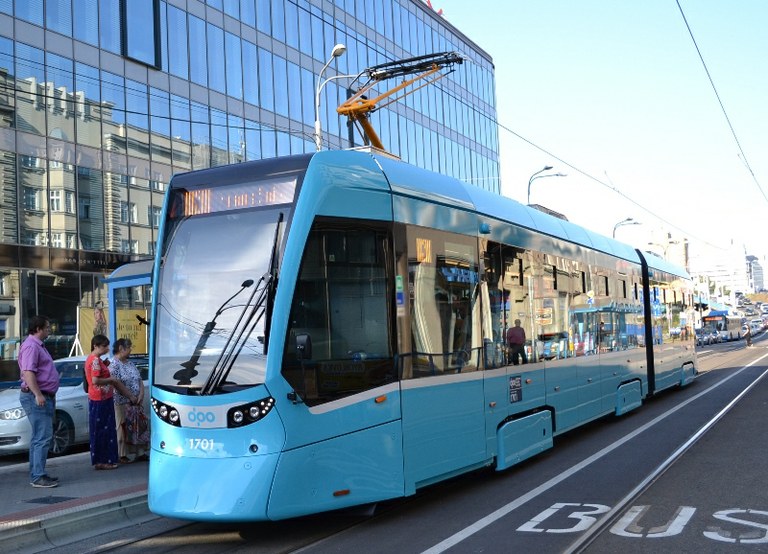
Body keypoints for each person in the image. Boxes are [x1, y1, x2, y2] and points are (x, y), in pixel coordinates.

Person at [18, 315, 60, 488]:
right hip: (36, 396)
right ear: (38, 329)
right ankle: (38, 476)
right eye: (47, 327)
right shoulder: (31, 346)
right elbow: (28, 373)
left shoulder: (38, 346)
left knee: (40, 437)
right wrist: (38, 394)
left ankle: (37, 473)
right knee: (42, 438)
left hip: (43, 395)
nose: (50, 330)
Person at [86, 335, 136, 470]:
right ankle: (103, 460)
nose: (107, 348)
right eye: (104, 346)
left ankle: (102, 460)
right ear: (96, 346)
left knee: (101, 430)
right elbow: (95, 380)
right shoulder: (95, 361)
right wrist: (111, 380)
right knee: (103, 430)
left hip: (99, 398)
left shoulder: (94, 359)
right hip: (101, 398)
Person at [110, 338, 148, 463]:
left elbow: (139, 379)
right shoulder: (114, 364)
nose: (131, 349)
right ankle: (122, 454)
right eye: (129, 347)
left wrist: (141, 394)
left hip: (136, 402)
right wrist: (130, 396)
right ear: (121, 348)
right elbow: (117, 384)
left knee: (139, 426)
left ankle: (140, 452)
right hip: (122, 401)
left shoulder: (130, 364)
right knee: (122, 427)